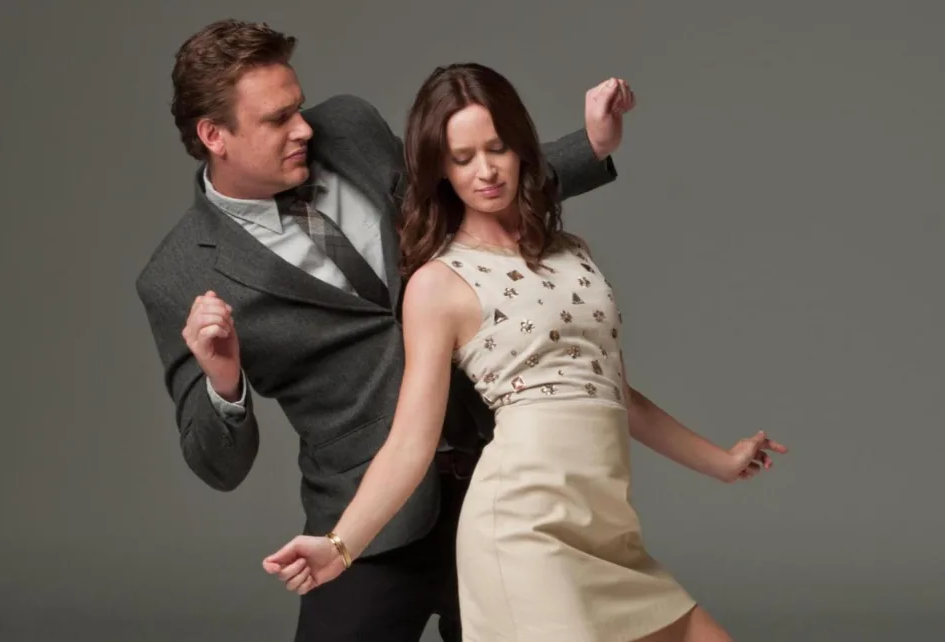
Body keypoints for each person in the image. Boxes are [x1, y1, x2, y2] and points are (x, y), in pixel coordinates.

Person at [136, 19, 632, 642]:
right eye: (278, 119)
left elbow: (468, 193)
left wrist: (592, 145)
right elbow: (219, 465)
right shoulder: (179, 274)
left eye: (298, 106)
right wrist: (223, 382)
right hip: (369, 521)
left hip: (503, 484)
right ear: (215, 136)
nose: (304, 128)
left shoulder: (351, 128)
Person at [261, 62, 789, 642]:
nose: (486, 171)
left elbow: (614, 394)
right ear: (441, 170)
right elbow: (411, 442)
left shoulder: (573, 252)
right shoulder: (438, 284)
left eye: (498, 148)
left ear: (521, 148)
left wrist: (721, 462)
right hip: (522, 532)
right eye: (462, 158)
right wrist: (340, 546)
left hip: (606, 527)